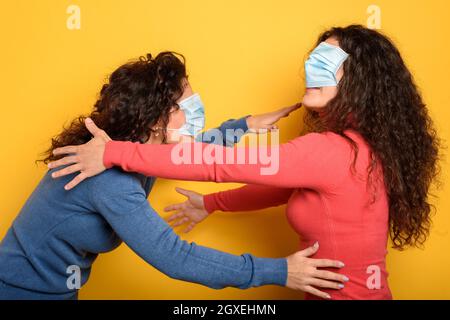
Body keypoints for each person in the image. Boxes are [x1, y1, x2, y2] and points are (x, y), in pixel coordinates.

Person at [48, 25, 441, 300]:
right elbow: (279, 187)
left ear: (360, 80)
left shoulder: (332, 150)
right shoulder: (358, 149)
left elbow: (220, 163)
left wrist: (113, 152)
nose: (311, 68)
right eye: (314, 57)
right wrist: (213, 203)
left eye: (327, 60)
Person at [0, 52, 347, 300]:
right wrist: (278, 271)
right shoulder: (108, 179)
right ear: (154, 119)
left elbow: (180, 154)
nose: (197, 106)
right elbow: (174, 257)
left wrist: (245, 126)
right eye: (186, 104)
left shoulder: (132, 153)